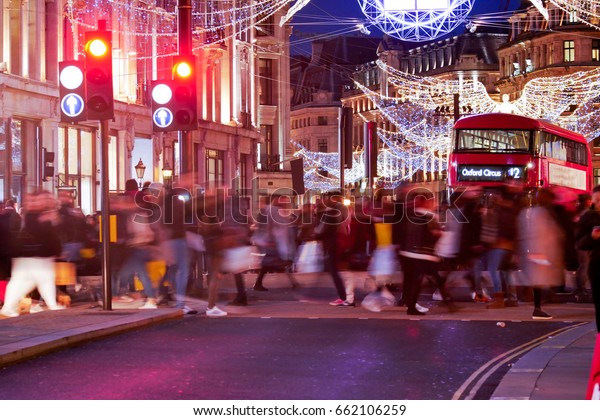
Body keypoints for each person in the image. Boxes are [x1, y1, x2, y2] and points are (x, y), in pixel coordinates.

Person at [0, 191, 65, 317]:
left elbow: (53, 236)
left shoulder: (38, 214)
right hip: (34, 254)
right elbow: (44, 234)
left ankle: (9, 306)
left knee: (27, 281)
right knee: (41, 279)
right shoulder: (33, 215)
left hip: (34, 254)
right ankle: (51, 305)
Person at [518, 188, 565, 320]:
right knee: (538, 281)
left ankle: (537, 307)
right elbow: (540, 234)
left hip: (538, 252)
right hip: (539, 253)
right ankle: (537, 309)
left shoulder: (531, 212)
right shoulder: (539, 213)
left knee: (539, 281)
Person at [316, 191, 353, 307]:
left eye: (324, 198)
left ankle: (344, 297)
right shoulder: (336, 209)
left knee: (336, 270)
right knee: (337, 270)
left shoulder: (334, 210)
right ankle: (346, 297)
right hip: (338, 241)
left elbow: (322, 229)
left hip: (335, 241)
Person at [575, 185, 600, 332]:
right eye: (596, 200)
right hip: (598, 265)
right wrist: (592, 237)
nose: (598, 203)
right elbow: (579, 243)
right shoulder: (588, 217)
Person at [574, 193, 592, 300]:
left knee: (582, 265)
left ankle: (581, 287)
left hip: (579, 243)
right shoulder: (587, 213)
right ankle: (582, 288)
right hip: (584, 243)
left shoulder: (578, 212)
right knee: (585, 265)